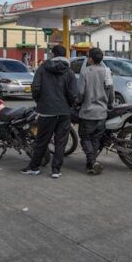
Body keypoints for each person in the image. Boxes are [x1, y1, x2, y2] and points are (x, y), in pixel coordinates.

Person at [22, 44, 78, 178]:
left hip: (46, 111)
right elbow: (73, 94)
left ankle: (34, 167)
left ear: (53, 54)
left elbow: (36, 88)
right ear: (65, 55)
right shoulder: (69, 72)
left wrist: (40, 102)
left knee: (42, 140)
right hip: (64, 112)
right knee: (61, 142)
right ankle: (56, 170)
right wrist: (69, 105)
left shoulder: (42, 69)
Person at [77, 47, 113, 175]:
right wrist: (110, 105)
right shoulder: (107, 72)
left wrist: (77, 102)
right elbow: (111, 91)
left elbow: (80, 92)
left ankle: (92, 162)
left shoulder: (85, 72)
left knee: (85, 138)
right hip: (102, 113)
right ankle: (91, 164)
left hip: (88, 113)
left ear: (91, 59)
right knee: (96, 139)